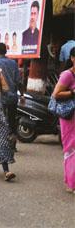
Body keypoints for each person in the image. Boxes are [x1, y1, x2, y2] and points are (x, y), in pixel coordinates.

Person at [51, 47, 75, 193]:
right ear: (72, 58)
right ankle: (71, 182)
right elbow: (56, 94)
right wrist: (72, 92)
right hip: (69, 116)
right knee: (72, 149)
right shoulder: (67, 75)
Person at [0, 42, 25, 150]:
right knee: (12, 120)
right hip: (13, 97)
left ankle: (2, 143)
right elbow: (18, 81)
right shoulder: (13, 63)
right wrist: (22, 95)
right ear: (5, 51)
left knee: (0, 120)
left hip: (0, 97)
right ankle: (12, 144)